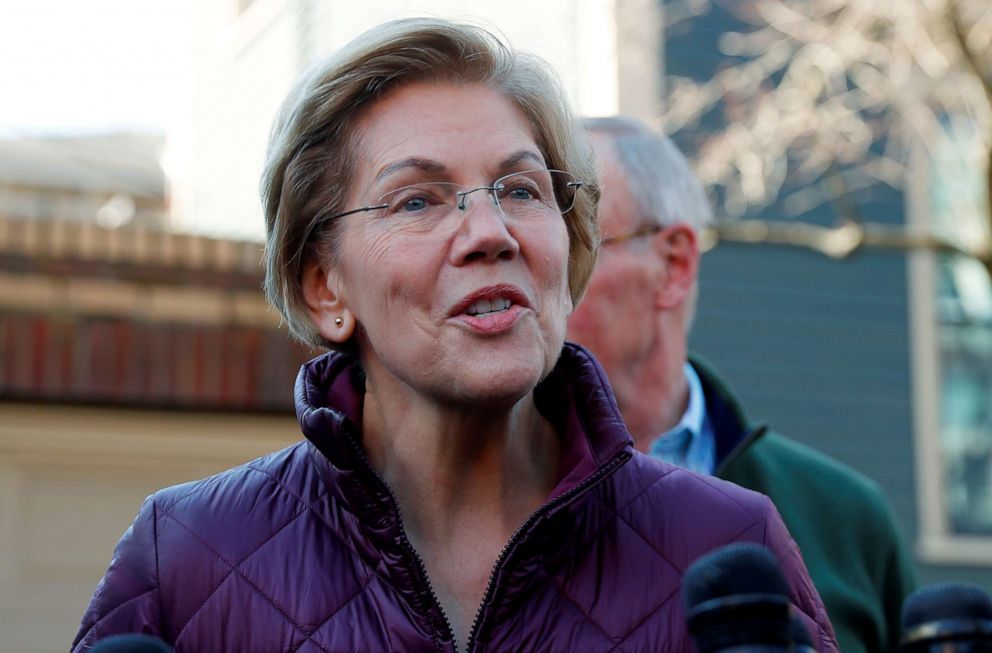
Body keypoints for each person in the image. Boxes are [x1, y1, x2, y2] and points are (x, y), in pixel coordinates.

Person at [72, 20, 839, 652]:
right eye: (416, 200)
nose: (490, 232)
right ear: (324, 287)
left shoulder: (731, 544)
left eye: (520, 188)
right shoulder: (186, 559)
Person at [567, 114, 916, 653]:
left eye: (572, 245)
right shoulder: (473, 505)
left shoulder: (845, 517)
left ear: (673, 263)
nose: (532, 274)